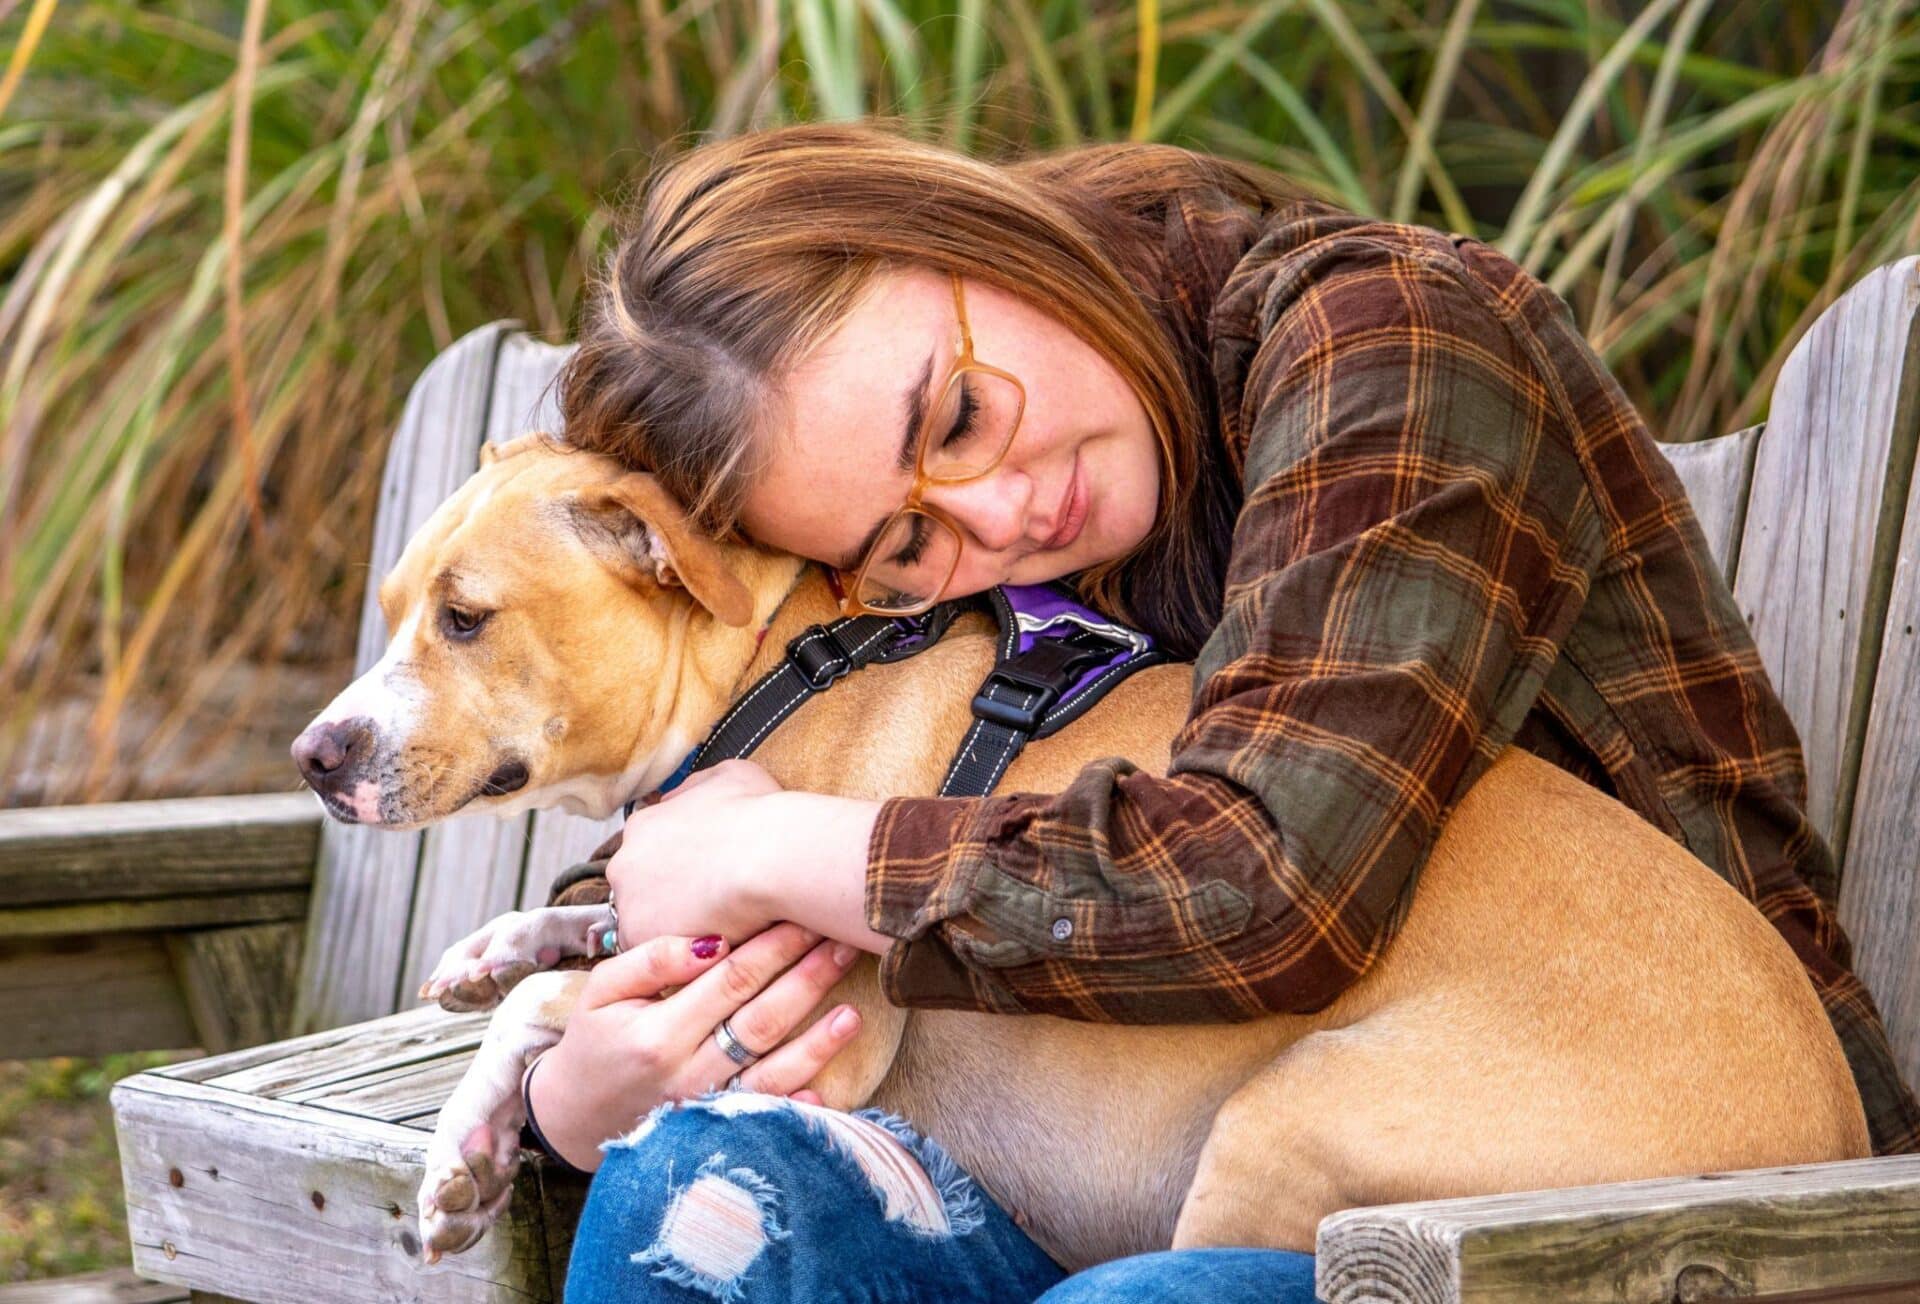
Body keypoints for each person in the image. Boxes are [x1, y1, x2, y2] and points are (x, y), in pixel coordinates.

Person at [519, 119, 1920, 1303]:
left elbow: (1273, 885)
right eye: (904, 546)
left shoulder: (1387, 344)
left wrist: (772, 854)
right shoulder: (1031, 513)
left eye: (953, 418)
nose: (1004, 512)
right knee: (688, 1196)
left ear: (974, 237)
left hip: (1644, 1199)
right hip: (1183, 1171)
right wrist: (569, 1091)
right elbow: (748, 790)